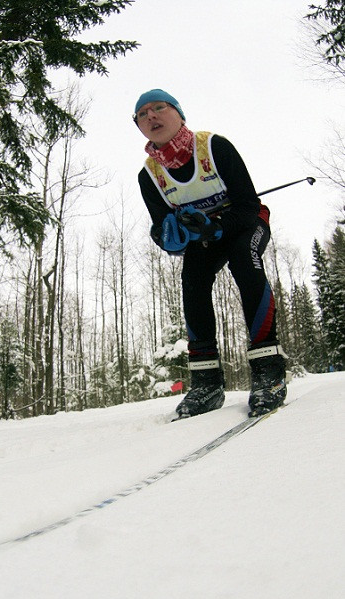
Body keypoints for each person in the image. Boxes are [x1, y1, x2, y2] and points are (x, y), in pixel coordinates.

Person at [133, 89, 287, 420]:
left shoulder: (214, 147)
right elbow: (163, 228)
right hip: (205, 237)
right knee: (193, 280)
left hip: (244, 224)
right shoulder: (149, 176)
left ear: (179, 113)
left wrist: (216, 227)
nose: (151, 116)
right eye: (143, 114)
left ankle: (268, 370)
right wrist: (168, 237)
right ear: (139, 126)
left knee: (246, 263)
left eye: (159, 108)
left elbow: (247, 205)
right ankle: (207, 382)